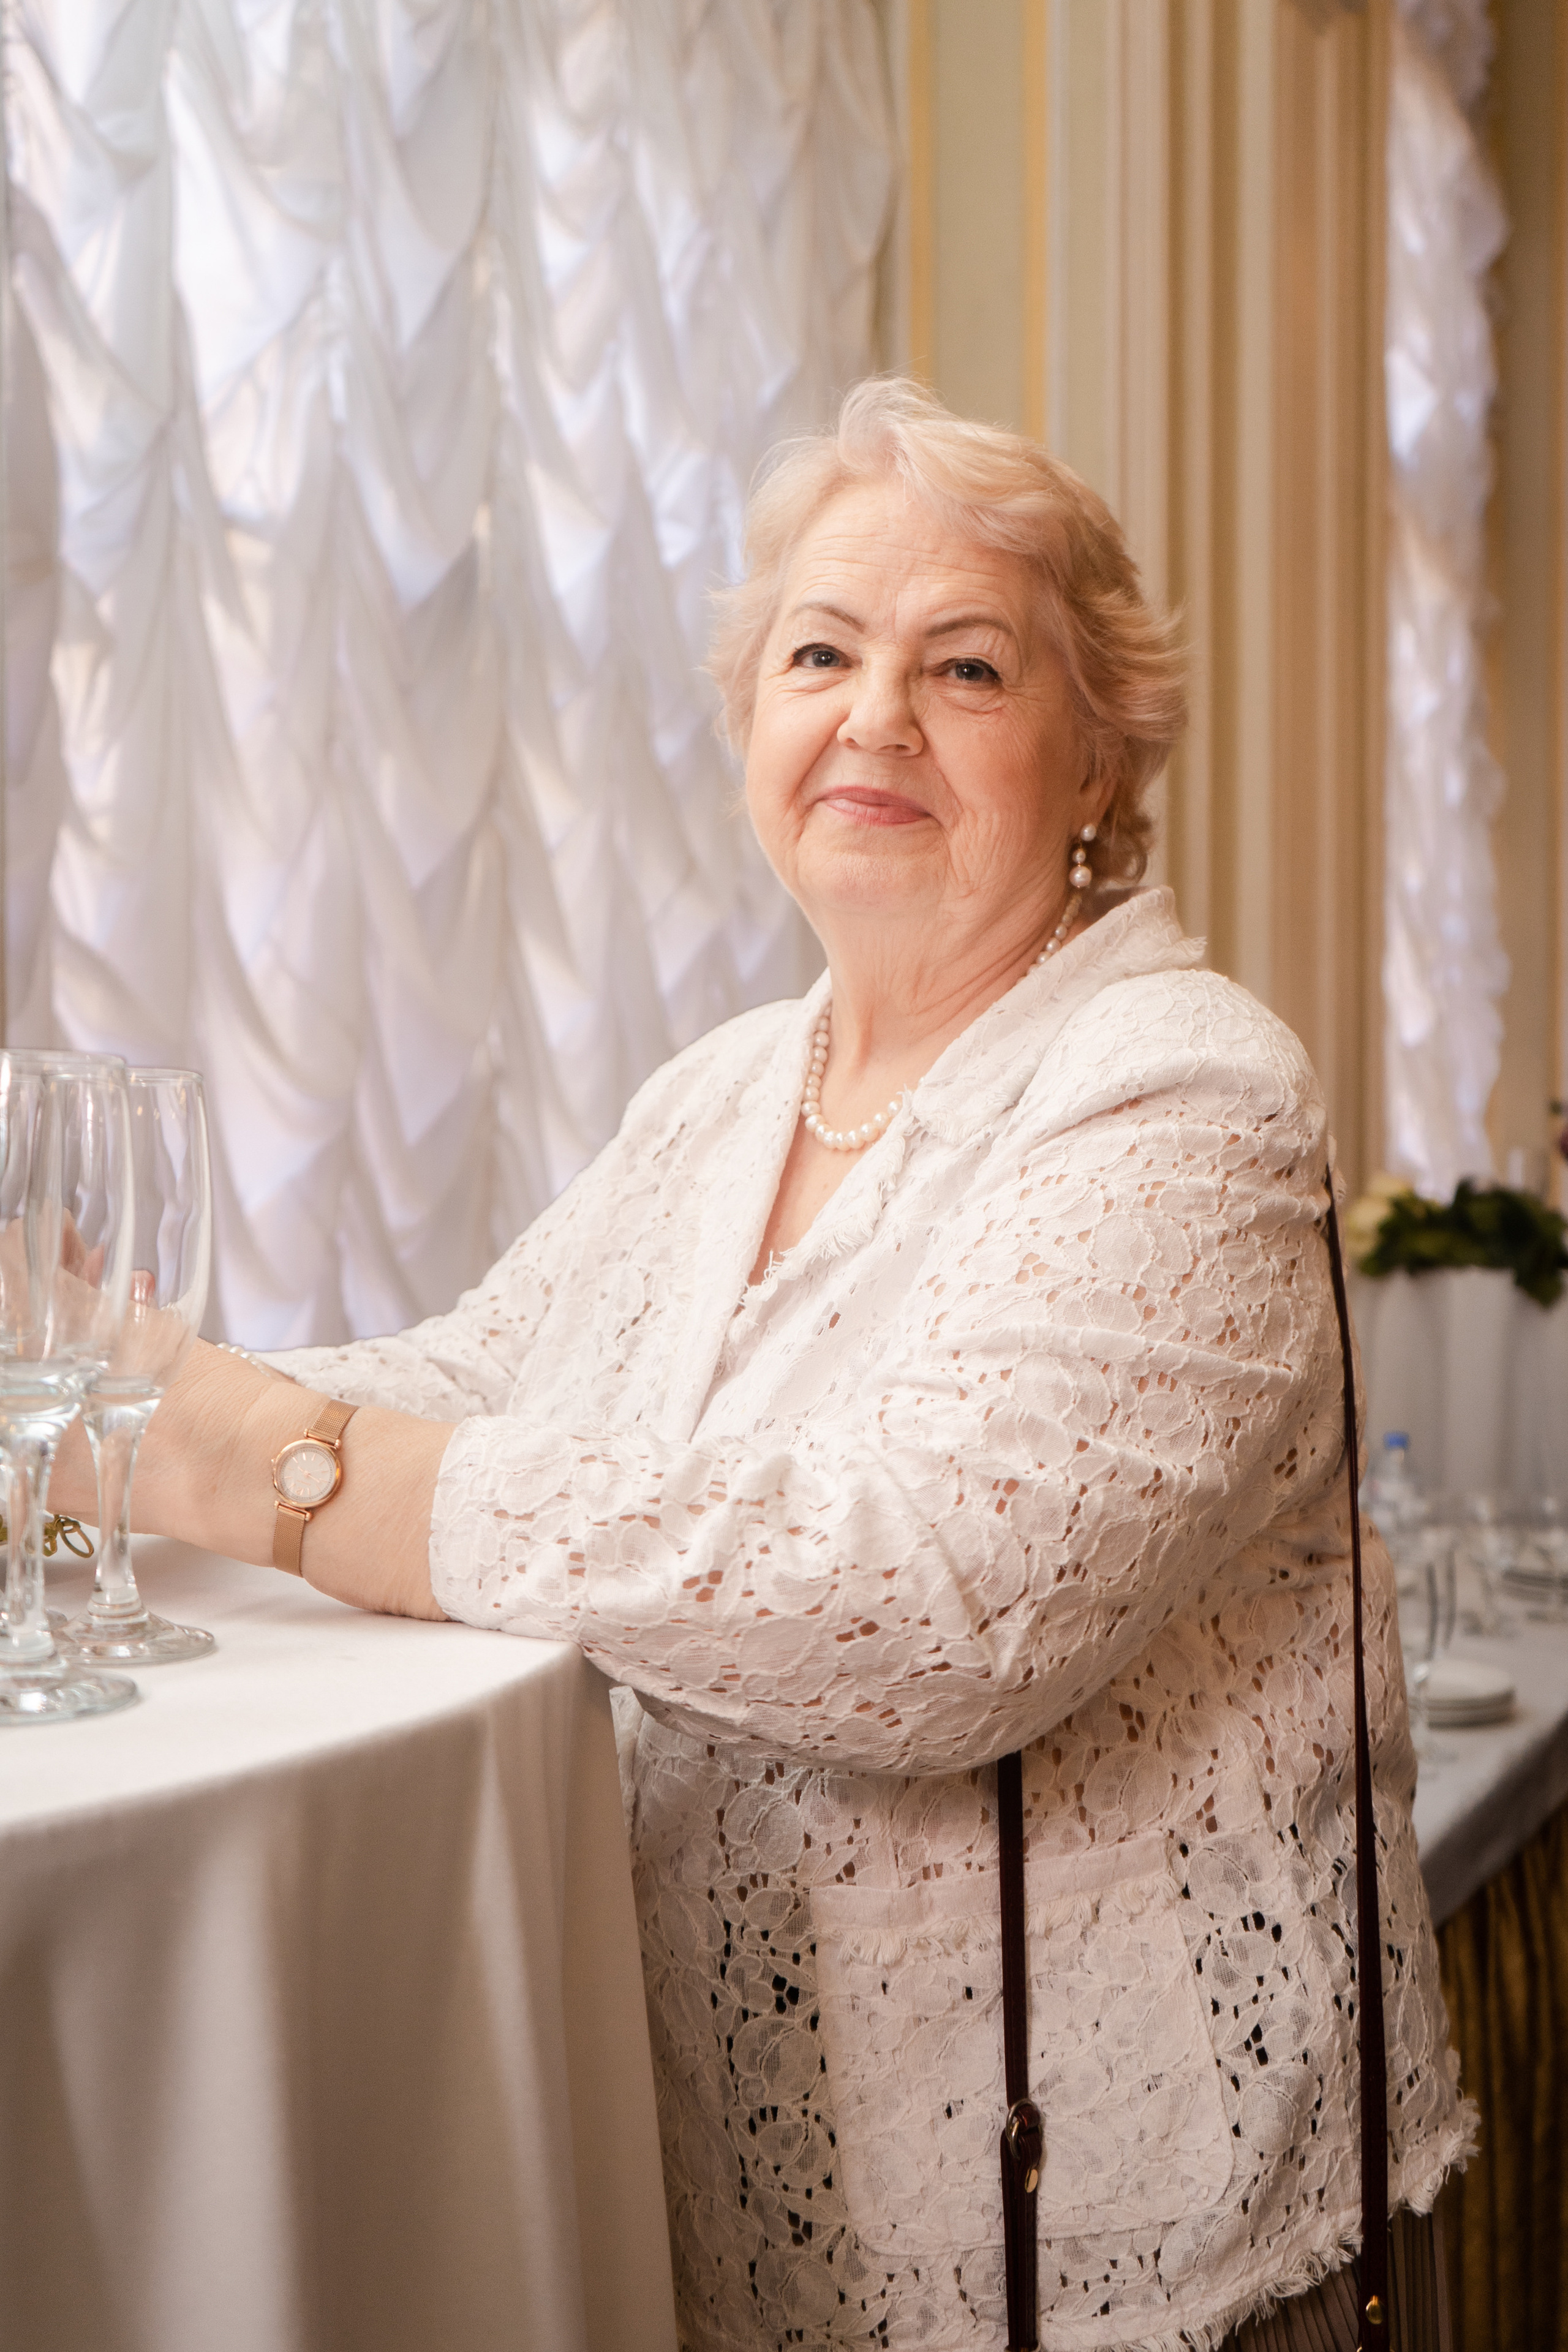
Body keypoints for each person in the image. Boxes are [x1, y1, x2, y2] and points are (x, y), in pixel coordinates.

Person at [58, 379, 1471, 2351]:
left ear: (1099, 762)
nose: (874, 714)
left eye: (965, 667)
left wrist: (271, 1471)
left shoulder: (1185, 1091)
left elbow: (929, 1604)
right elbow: (489, 1376)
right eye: (823, 652)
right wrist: (112, 1389)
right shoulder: (727, 1089)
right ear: (754, 724)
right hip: (743, 2206)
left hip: (1115, 2258)